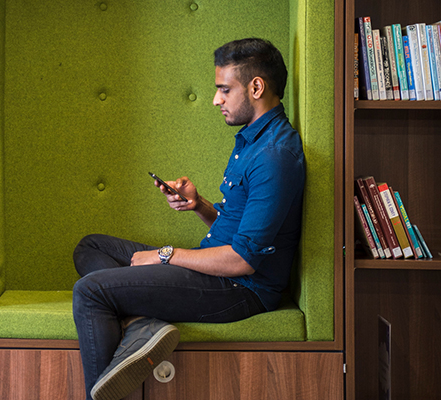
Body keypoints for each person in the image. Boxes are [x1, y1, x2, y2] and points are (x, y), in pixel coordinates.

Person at [72, 38, 306, 400]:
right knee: (91, 247)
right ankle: (143, 323)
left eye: (224, 90)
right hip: (216, 268)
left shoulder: (275, 155)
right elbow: (236, 226)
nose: (216, 100)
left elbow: (243, 261)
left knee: (91, 292)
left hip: (241, 291)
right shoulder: (252, 141)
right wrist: (198, 205)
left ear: (256, 87)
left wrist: (165, 254)